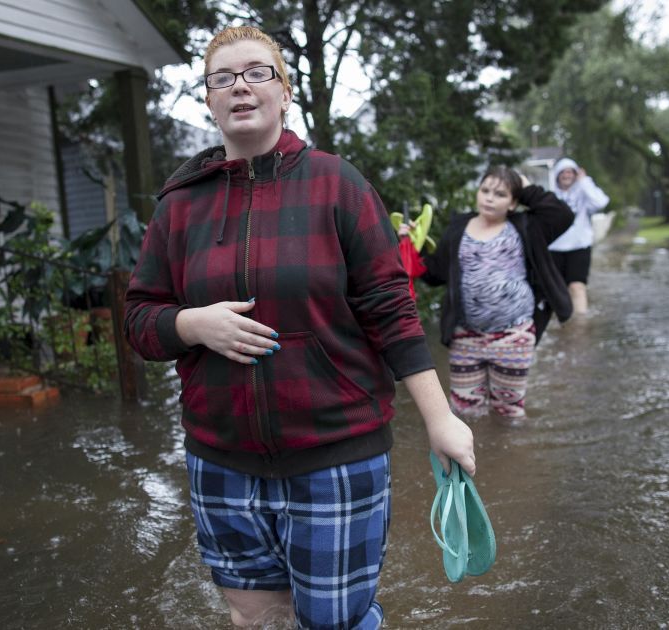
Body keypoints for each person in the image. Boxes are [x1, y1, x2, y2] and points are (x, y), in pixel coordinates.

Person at [123, 26, 475, 630]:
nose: (240, 87)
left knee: (335, 620)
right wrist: (191, 324)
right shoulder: (179, 207)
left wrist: (440, 418)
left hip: (335, 454)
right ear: (207, 99)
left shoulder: (337, 184)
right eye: (222, 78)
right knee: (253, 616)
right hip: (221, 458)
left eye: (258, 72)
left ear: (285, 94)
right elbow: (138, 321)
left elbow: (391, 308)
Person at [402, 167, 574, 420]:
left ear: (514, 202)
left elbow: (563, 215)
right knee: (464, 413)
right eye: (485, 190)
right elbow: (435, 273)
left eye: (500, 193)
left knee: (509, 415)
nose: (489, 198)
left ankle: (509, 459)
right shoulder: (459, 226)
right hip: (466, 336)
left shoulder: (526, 225)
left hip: (513, 334)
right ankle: (475, 459)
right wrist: (411, 245)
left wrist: (525, 188)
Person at [547, 158, 610, 315]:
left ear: (576, 174)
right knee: (556, 289)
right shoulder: (550, 196)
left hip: (579, 246)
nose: (567, 175)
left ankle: (580, 325)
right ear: (557, 175)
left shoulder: (584, 193)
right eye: (563, 171)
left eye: (570, 171)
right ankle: (562, 320)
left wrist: (585, 181)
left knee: (577, 286)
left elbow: (601, 202)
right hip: (554, 248)